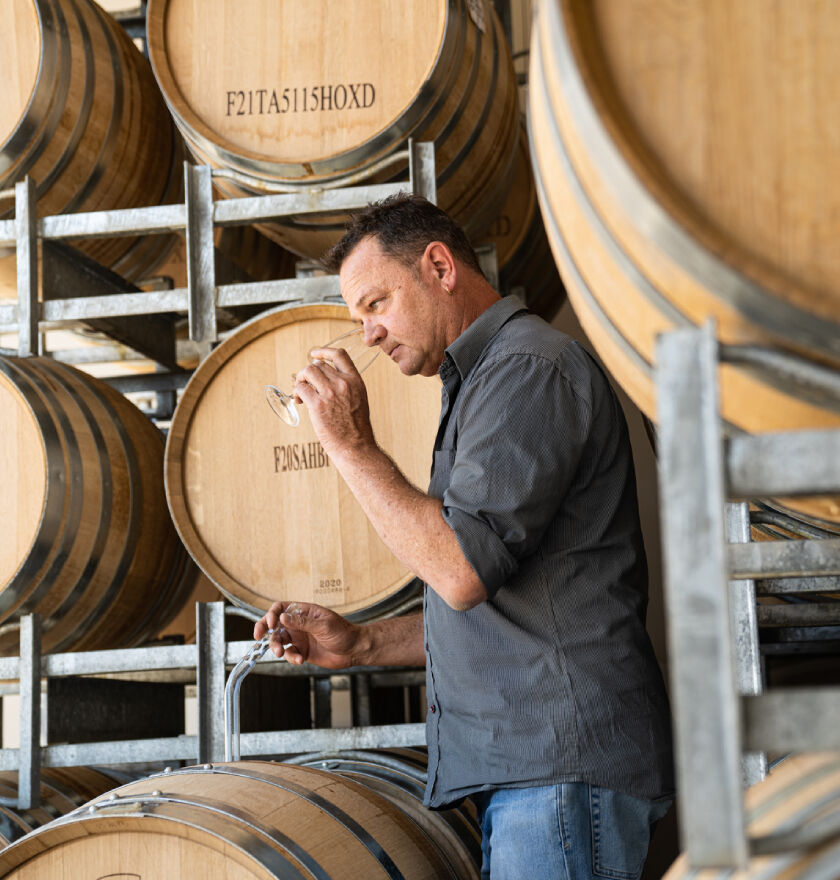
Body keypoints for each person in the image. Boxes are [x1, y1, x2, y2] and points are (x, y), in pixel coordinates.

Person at [254, 194, 674, 880]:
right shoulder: (482, 380)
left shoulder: (528, 368)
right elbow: (502, 607)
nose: (369, 334)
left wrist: (352, 446)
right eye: (360, 316)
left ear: (440, 266)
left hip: (559, 768)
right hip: (538, 772)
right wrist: (360, 643)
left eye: (376, 303)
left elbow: (460, 571)